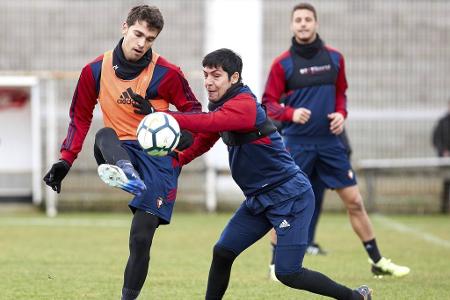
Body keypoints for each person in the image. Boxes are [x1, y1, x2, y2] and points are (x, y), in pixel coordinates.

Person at [148, 48, 371, 299]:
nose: (209, 81)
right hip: (258, 200)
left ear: (234, 78)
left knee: (288, 272)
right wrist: (177, 160)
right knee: (222, 252)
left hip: (290, 197)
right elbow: (205, 139)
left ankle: (355, 297)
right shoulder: (220, 106)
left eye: (216, 75)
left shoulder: (244, 104)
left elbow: (208, 123)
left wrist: (163, 117)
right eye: (206, 74)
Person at [43, 5, 201, 300]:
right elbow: (80, 117)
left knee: (140, 239)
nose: (142, 43)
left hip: (157, 160)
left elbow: (195, 114)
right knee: (104, 134)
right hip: (118, 150)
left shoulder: (168, 73)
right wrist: (65, 160)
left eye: (150, 39)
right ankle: (126, 174)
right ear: (124, 27)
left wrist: (156, 113)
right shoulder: (94, 70)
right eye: (138, 34)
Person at [262, 3, 410, 280]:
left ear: (316, 23)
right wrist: (292, 113)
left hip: (331, 144)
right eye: (298, 20)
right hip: (296, 144)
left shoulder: (335, 58)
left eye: (308, 19)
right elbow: (268, 104)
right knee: (284, 204)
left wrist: (342, 114)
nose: (303, 24)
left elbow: (341, 93)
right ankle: (274, 265)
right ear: (292, 25)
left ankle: (377, 261)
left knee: (354, 201)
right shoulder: (282, 64)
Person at [432, 99, 450, 213]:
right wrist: (443, 151)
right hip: (445, 159)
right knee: (446, 182)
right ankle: (444, 208)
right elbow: (435, 139)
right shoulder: (442, 122)